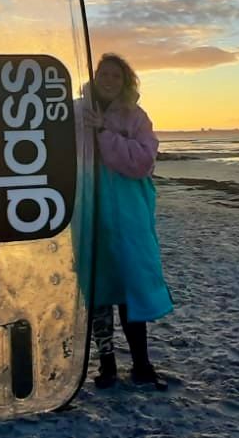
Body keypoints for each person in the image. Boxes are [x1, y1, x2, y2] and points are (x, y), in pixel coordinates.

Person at [81, 53, 173, 390]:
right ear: (95, 76)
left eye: (116, 76)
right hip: (88, 211)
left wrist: (105, 132)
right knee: (97, 291)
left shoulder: (135, 116)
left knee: (129, 286)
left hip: (128, 214)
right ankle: (106, 366)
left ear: (126, 81)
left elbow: (143, 160)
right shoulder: (78, 112)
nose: (108, 80)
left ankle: (142, 365)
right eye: (103, 74)